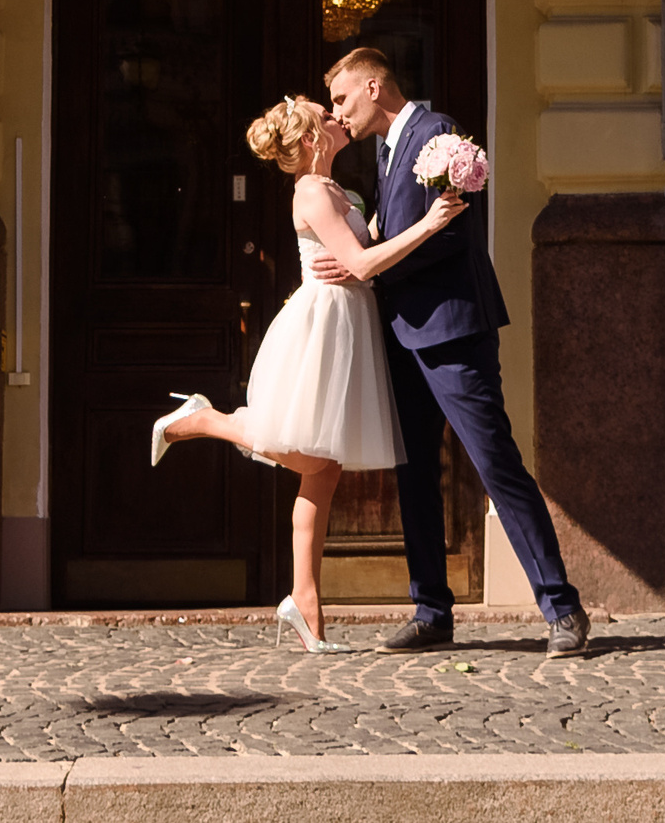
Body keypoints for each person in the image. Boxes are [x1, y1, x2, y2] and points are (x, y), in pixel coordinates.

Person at [150, 95, 468, 654]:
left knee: (321, 470)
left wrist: (368, 234)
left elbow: (358, 251)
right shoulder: (311, 190)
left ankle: (305, 602)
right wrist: (431, 221)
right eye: (328, 114)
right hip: (322, 326)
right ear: (313, 139)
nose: (338, 117)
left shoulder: (334, 189)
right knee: (305, 451)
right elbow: (365, 264)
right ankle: (205, 419)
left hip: (346, 322)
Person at [315, 46, 593, 658]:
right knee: (413, 472)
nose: (339, 113)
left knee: (495, 463)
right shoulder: (387, 152)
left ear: (373, 86)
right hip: (403, 332)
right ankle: (431, 611)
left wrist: (371, 262)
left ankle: (562, 607)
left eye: (341, 99)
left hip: (451, 330)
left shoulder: (436, 135)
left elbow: (451, 233)